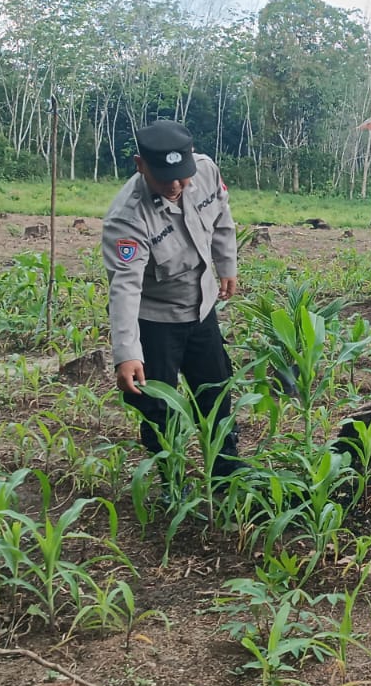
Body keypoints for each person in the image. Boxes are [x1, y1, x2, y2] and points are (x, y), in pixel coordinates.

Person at [102, 120, 243, 483]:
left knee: (216, 389)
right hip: (157, 319)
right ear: (140, 165)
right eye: (166, 178)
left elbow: (222, 217)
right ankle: (172, 478)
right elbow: (124, 287)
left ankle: (224, 471)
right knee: (158, 406)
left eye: (182, 175)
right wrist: (127, 353)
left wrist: (226, 264)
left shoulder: (206, 171)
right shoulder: (127, 218)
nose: (177, 185)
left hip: (202, 306)